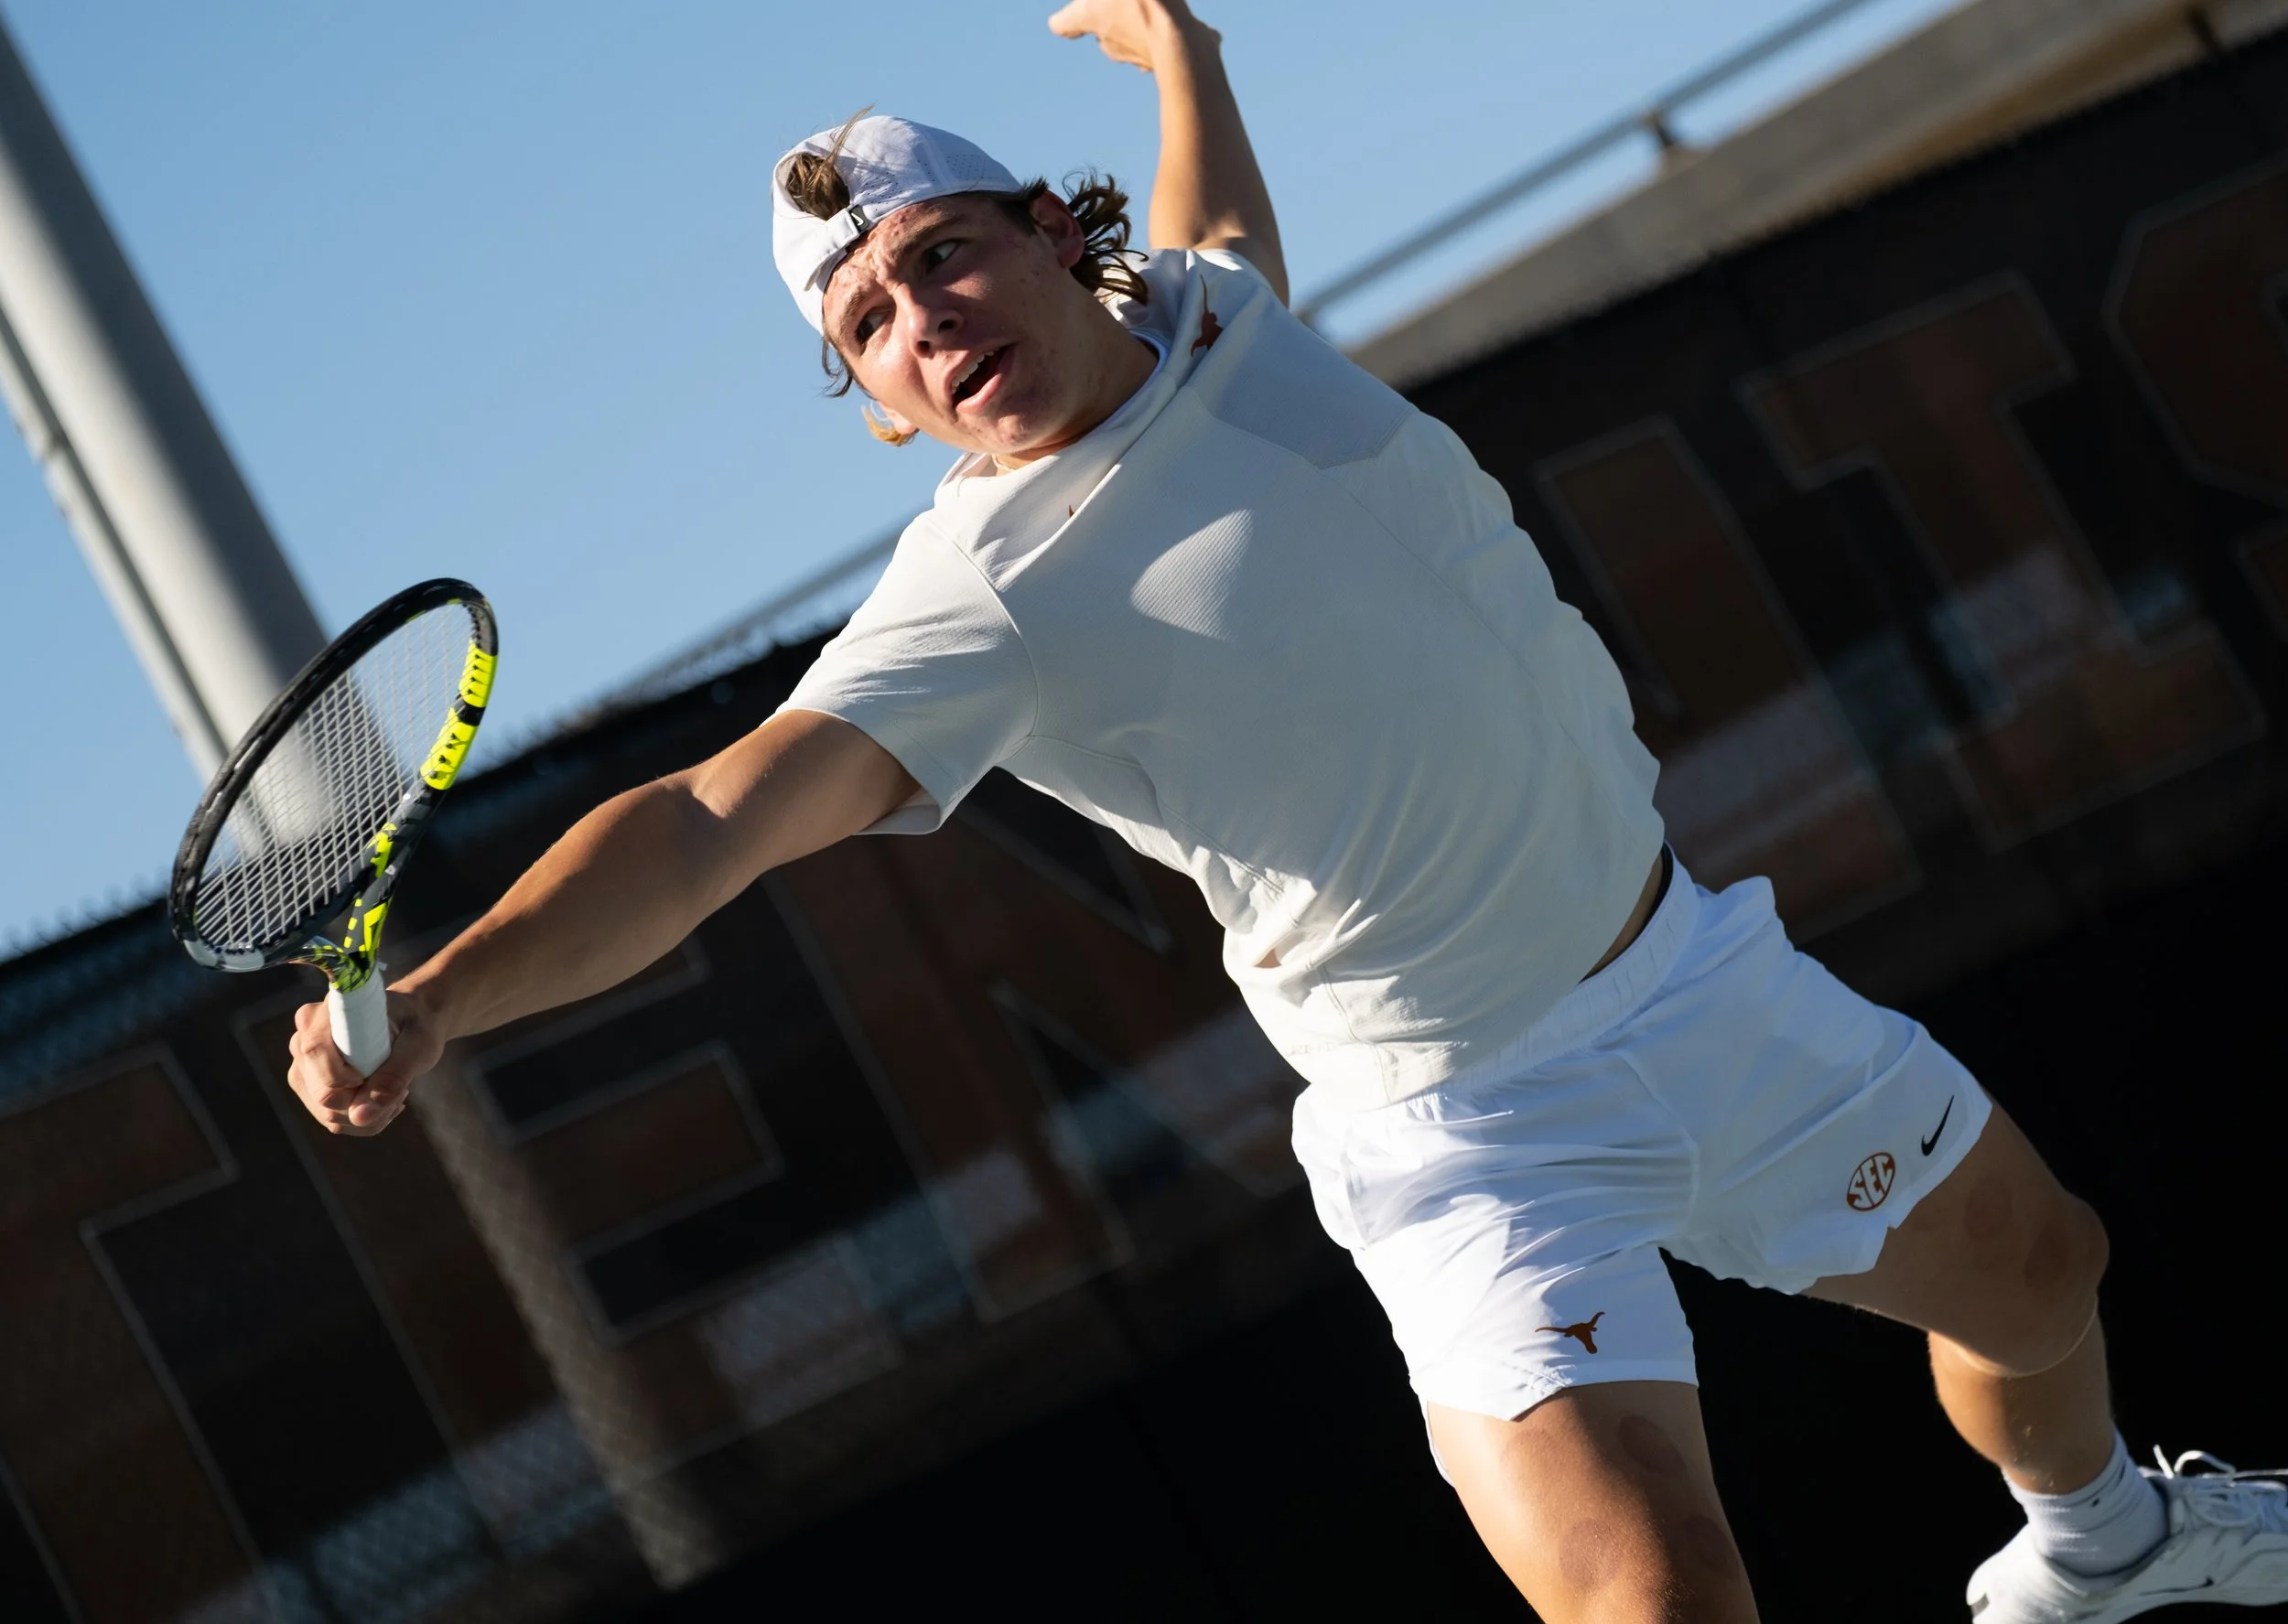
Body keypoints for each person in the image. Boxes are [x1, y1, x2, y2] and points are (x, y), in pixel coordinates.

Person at [284, 3, 2288, 1618]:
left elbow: (1218, 227)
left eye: (939, 257)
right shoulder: (969, 597)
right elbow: (710, 818)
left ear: (1053, 240)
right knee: (1650, 1593)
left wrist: (1184, 51)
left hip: (1686, 962)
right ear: (877, 406)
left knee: (2039, 1271)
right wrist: (447, 991)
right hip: (1466, 1133)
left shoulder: (1209, 311)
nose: (924, 322)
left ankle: (2101, 1547)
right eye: (868, 329)